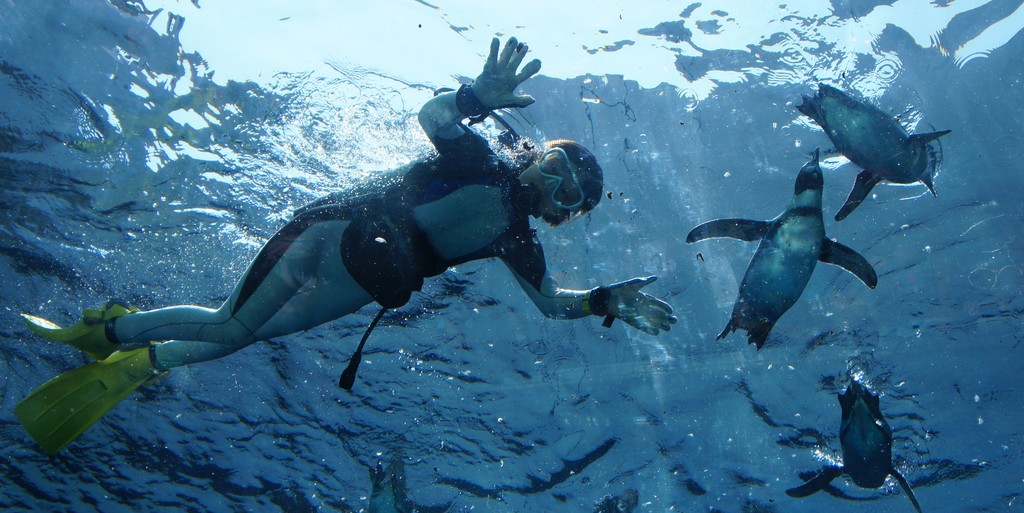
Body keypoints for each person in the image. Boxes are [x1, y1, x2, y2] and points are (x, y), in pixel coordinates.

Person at [16, 37, 676, 454]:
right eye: (558, 167)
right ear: (539, 154)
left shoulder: (520, 242)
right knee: (230, 320)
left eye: (569, 195)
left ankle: (143, 358)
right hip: (331, 230)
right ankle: (110, 331)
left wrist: (604, 301)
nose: (555, 186)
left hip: (358, 281)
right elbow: (433, 119)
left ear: (567, 214)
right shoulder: (480, 160)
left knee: (242, 335)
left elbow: (552, 305)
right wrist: (477, 95)